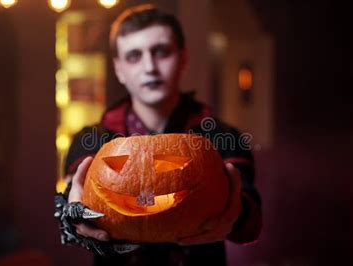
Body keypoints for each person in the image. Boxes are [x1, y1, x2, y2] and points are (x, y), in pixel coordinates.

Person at [54, 4, 262, 265]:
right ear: (119, 69)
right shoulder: (92, 139)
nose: (149, 66)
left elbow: (252, 219)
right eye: (134, 56)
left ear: (183, 58)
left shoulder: (222, 137)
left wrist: (237, 212)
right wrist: (72, 214)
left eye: (161, 52)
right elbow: (73, 193)